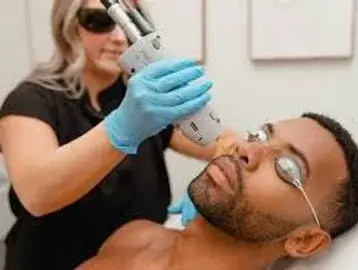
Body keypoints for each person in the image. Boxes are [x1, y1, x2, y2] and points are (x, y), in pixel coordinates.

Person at [0, 0, 222, 269]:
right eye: (99, 21)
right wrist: (121, 128)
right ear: (69, 28)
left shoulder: (145, 98)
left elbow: (226, 143)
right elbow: (36, 194)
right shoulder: (31, 100)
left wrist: (210, 192)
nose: (118, 37)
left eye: (127, 23)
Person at [76, 112, 358, 270]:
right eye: (260, 135)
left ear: (305, 240)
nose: (246, 149)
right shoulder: (134, 234)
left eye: (287, 167)